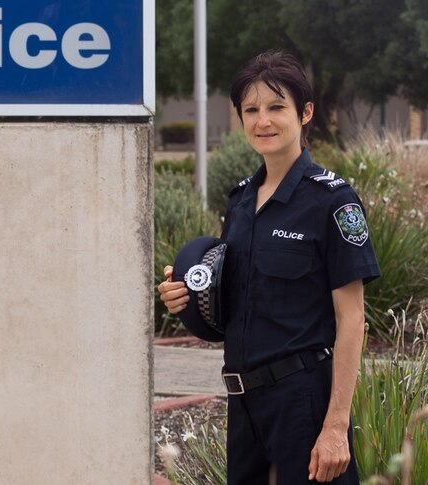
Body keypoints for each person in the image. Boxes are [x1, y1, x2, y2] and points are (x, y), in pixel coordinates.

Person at [157, 52, 381, 484]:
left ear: (305, 112)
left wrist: (335, 426)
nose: (264, 121)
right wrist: (186, 296)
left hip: (303, 402)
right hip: (244, 404)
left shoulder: (333, 201)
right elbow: (235, 304)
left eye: (277, 107)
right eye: (252, 110)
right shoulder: (240, 201)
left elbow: (352, 317)